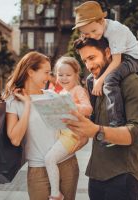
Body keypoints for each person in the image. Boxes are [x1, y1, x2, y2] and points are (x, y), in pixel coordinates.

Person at [63, 37, 138, 200]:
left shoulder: (133, 84)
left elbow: (137, 133)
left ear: (108, 53)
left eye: (92, 58)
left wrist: (97, 131)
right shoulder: (94, 84)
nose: (89, 65)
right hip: (96, 174)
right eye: (84, 60)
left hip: (123, 177)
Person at [2, 52, 79, 200]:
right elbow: (15, 139)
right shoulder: (13, 101)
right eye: (46, 72)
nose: (49, 77)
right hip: (38, 169)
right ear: (31, 72)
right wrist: (28, 105)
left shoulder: (53, 95)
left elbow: (72, 127)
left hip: (67, 164)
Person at [73, 1, 138, 127]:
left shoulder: (115, 30)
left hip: (132, 59)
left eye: (94, 31)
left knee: (110, 79)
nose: (93, 36)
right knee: (89, 80)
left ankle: (117, 121)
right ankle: (93, 115)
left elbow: (116, 61)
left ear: (101, 20)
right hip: (119, 57)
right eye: (87, 34)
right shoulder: (96, 31)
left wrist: (100, 81)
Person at [45, 56, 93, 199]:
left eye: (68, 75)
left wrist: (70, 105)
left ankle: (56, 194)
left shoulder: (78, 90)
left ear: (76, 75)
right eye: (60, 75)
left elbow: (88, 109)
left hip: (72, 135)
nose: (64, 78)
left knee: (49, 159)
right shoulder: (59, 90)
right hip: (60, 131)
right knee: (52, 158)